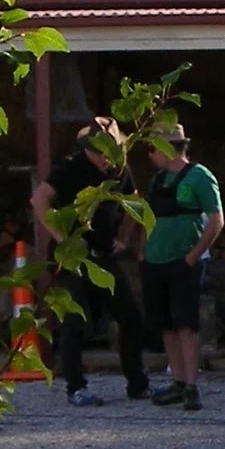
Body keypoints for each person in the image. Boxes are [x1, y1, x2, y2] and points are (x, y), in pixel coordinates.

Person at [30, 120, 149, 406]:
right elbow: (39, 200)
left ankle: (137, 383)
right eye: (97, 150)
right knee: (74, 321)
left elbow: (135, 200)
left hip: (105, 253)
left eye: (107, 149)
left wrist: (125, 236)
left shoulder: (119, 170)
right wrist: (62, 238)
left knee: (130, 315)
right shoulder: (71, 168)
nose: (102, 156)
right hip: (73, 256)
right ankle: (75, 387)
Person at [141, 127, 221, 411]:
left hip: (183, 261)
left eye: (153, 149)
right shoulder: (157, 181)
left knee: (186, 323)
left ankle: (191, 385)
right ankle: (176, 381)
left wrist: (192, 257)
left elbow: (216, 220)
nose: (150, 156)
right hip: (155, 261)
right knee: (166, 325)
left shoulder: (200, 176)